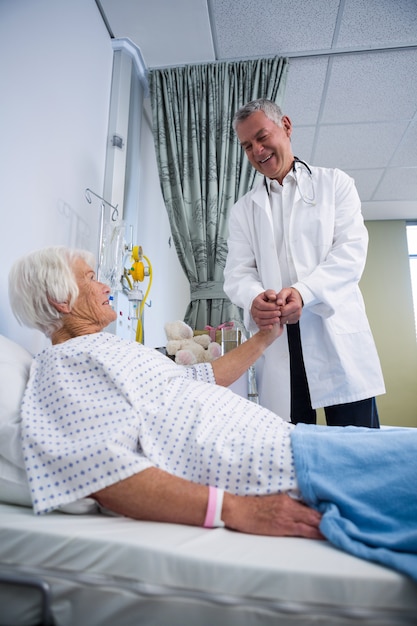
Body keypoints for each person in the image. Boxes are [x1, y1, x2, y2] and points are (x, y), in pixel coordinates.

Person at [8, 246, 417, 582]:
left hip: (292, 444)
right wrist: (236, 510)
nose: (104, 285)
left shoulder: (111, 349)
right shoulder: (64, 364)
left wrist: (265, 338)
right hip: (278, 466)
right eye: (91, 277)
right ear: (61, 300)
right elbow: (102, 470)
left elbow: (201, 377)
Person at [223, 98, 385, 427]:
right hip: (280, 338)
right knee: (292, 448)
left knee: (357, 445)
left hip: (333, 330)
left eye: (262, 137)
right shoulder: (243, 210)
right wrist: (254, 299)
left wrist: (303, 292)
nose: (257, 150)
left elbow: (351, 252)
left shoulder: (335, 184)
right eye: (247, 146)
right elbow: (238, 272)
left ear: (286, 126)